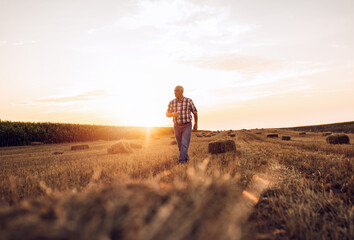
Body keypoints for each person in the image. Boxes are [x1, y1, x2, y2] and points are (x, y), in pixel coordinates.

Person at [166, 86, 198, 164]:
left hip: (187, 125)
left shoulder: (188, 101)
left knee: (184, 144)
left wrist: (196, 124)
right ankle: (187, 159)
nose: (175, 92)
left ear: (182, 91)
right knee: (180, 146)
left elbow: (195, 112)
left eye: (177, 91)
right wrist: (173, 114)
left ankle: (181, 162)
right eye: (174, 91)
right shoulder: (172, 102)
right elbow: (167, 114)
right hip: (176, 126)